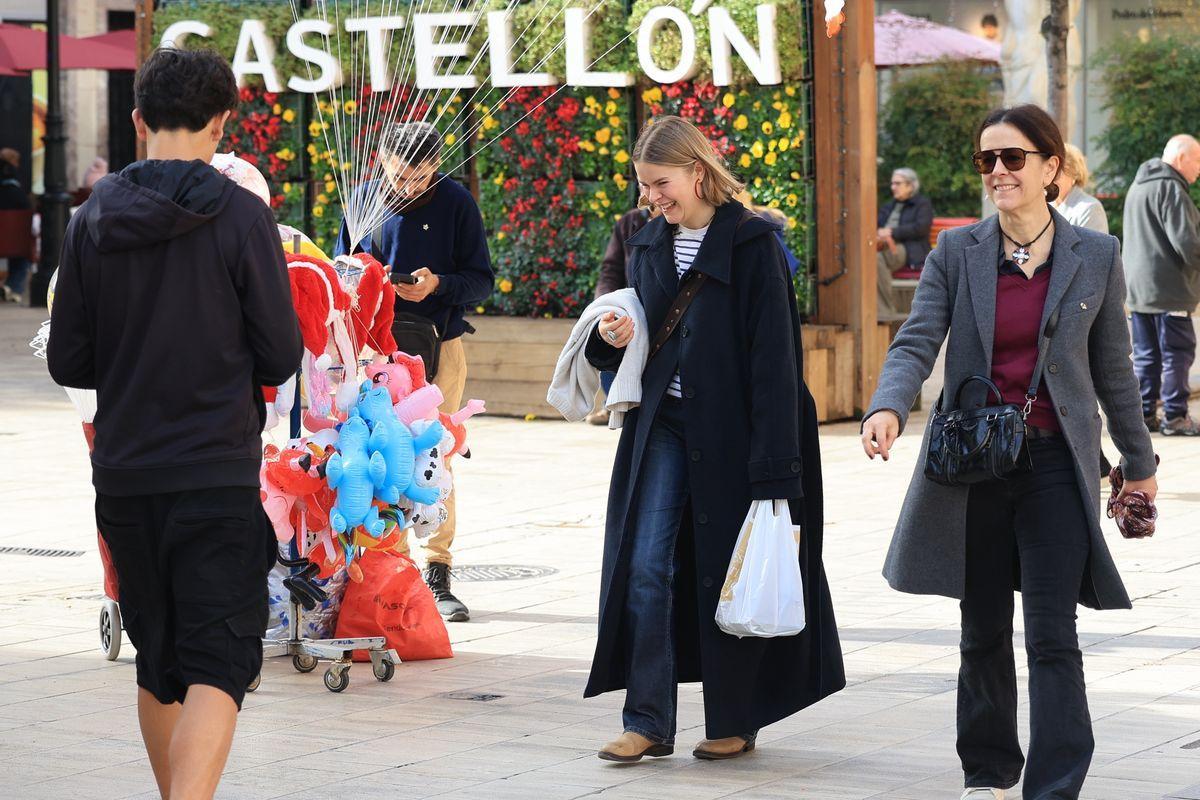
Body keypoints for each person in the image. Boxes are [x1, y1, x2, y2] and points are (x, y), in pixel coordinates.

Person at [861, 104, 1158, 800]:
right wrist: (886, 403)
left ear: (1052, 168)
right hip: (976, 462)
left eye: (1014, 158)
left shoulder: (1096, 256)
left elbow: (1115, 370)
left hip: (1057, 463)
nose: (998, 171)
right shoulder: (958, 252)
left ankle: (1053, 787)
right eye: (986, 160)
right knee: (983, 628)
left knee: (1052, 634)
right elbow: (917, 337)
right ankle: (988, 770)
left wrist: (1139, 464)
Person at [47, 48, 302, 800]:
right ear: (223, 122)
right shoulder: (242, 216)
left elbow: (69, 360)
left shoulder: (91, 219)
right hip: (214, 474)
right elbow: (280, 352)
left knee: (160, 662)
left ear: (137, 120)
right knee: (220, 663)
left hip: (125, 477)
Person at [583, 115, 844, 763]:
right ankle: (647, 719)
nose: (652, 198)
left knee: (725, 574)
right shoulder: (643, 244)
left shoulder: (753, 243)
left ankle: (734, 718)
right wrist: (605, 338)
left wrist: (776, 469)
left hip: (737, 434)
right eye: (645, 186)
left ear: (697, 172)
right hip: (661, 431)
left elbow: (776, 362)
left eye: (661, 183)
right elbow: (627, 336)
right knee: (644, 566)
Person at [335, 120, 494, 622]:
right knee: (372, 455)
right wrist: (369, 281)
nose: (409, 187)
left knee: (434, 455)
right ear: (381, 161)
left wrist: (439, 284)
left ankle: (438, 570)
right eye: (401, 176)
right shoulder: (364, 199)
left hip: (439, 346)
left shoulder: (455, 202)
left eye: (420, 176)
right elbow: (341, 269)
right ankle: (377, 566)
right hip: (374, 353)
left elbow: (482, 280)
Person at [1122, 134, 1200, 436]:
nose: (1198, 169)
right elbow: (1187, 243)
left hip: (1139, 289)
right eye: (1197, 161)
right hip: (1169, 289)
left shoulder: (1138, 185)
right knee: (1177, 353)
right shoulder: (1171, 188)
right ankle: (1176, 417)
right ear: (1181, 158)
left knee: (1146, 354)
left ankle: (1145, 415)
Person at [588, 205, 653, 425]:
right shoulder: (629, 222)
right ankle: (611, 402)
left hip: (657, 314)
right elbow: (610, 269)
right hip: (629, 308)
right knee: (610, 334)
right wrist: (606, 306)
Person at [877, 167, 934, 319]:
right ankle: (874, 311)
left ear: (910, 186)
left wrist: (892, 232)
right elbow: (876, 225)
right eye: (892, 184)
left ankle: (884, 313)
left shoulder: (922, 204)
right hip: (882, 247)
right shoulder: (890, 205)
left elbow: (920, 228)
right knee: (869, 257)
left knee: (875, 259)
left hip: (909, 249)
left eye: (897, 183)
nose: (893, 187)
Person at [0, 148, 32, 303]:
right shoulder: (17, 190)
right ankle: (15, 288)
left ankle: (10, 287)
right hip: (15, 242)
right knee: (22, 254)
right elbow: (27, 212)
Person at [1053, 144, 1107, 233]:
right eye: (1049, 170)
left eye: (1057, 172)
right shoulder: (1046, 206)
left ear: (1074, 174)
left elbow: (1094, 246)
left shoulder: (1090, 209)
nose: (1051, 178)